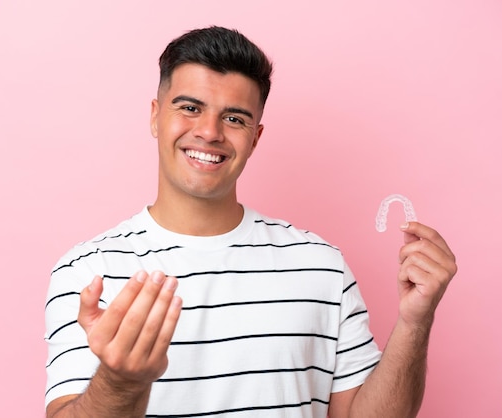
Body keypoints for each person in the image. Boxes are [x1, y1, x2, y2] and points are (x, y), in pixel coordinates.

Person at [44, 26, 457, 418]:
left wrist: (414, 324)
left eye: (235, 118)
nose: (209, 132)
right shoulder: (88, 271)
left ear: (255, 137)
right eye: (190, 108)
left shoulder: (321, 265)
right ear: (155, 117)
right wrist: (121, 380)